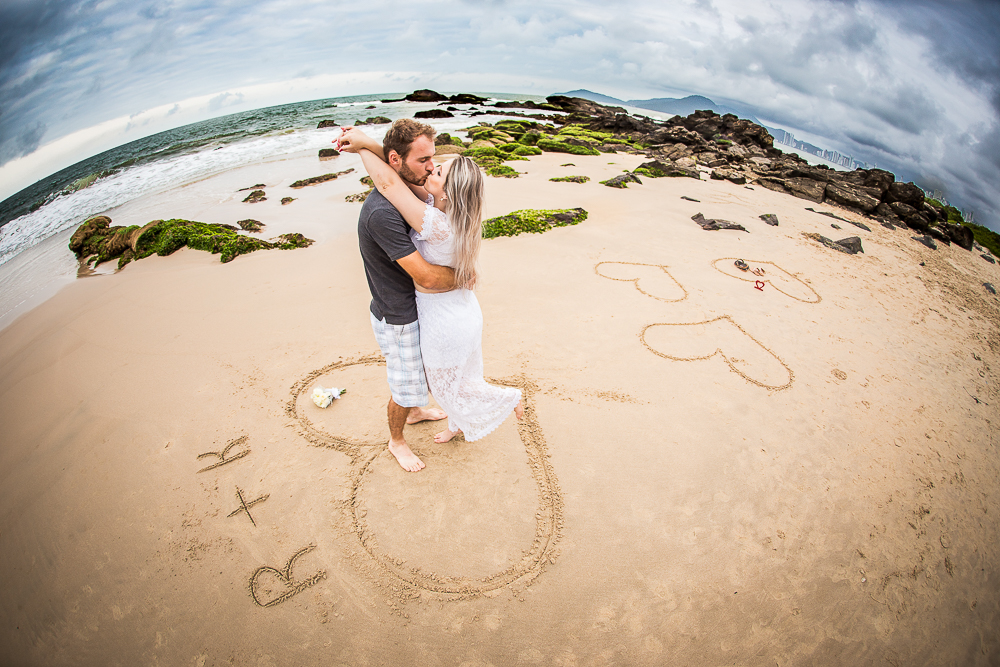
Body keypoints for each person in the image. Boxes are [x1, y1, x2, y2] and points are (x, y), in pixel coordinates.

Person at [340, 120, 523, 472]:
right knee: (422, 382)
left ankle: (414, 421)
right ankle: (409, 429)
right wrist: (365, 144)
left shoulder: (432, 212)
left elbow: (391, 179)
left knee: (437, 382)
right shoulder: (443, 211)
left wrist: (364, 144)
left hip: (441, 314)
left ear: (448, 191)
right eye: (426, 161)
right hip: (431, 312)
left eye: (435, 166)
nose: (429, 169)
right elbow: (392, 179)